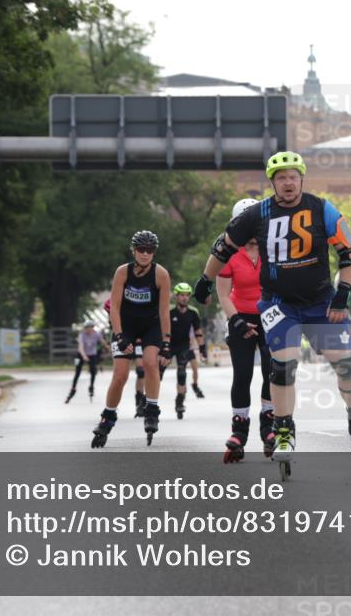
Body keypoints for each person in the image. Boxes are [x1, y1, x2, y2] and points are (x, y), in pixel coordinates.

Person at [194, 151, 351, 478]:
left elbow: (350, 253)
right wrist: (205, 280)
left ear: (301, 179)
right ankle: (283, 429)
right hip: (278, 303)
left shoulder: (321, 208)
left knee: (346, 361)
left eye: (293, 176)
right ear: (272, 182)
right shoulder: (257, 214)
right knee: (283, 363)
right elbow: (222, 247)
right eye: (281, 178)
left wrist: (342, 296)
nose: (287, 183)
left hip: (320, 300)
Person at [92, 230, 172, 448]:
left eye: (150, 250)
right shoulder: (122, 272)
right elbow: (114, 308)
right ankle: (108, 417)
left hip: (151, 325)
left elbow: (165, 312)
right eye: (141, 250)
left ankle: (152, 409)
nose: (145, 254)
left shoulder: (161, 274)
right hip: (125, 325)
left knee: (149, 363)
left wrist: (166, 342)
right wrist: (119, 335)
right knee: (120, 375)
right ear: (133, 250)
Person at [216, 197, 274, 462]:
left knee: (272, 371)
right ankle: (239, 430)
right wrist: (237, 321)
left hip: (271, 316)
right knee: (242, 374)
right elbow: (223, 294)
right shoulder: (227, 253)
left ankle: (269, 425)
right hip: (239, 316)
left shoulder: (272, 249)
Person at [159, 283, 207, 420]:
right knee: (158, 373)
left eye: (187, 295)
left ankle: (179, 402)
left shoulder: (193, 312)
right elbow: (161, 330)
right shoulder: (169, 312)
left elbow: (198, 331)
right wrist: (162, 347)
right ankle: (149, 400)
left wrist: (202, 348)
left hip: (184, 346)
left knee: (182, 373)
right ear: (176, 296)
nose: (185, 298)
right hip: (168, 345)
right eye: (182, 295)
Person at [66, 320, 108, 404]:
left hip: (92, 354)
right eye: (88, 328)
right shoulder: (82, 335)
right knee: (77, 372)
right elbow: (80, 347)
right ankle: (73, 388)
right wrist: (84, 356)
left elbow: (103, 342)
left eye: (92, 328)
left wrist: (109, 348)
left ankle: (91, 386)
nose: (90, 330)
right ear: (85, 328)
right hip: (81, 355)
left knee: (93, 370)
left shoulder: (96, 334)